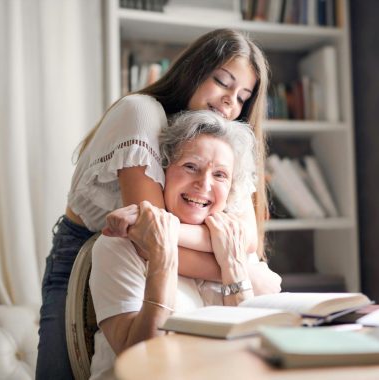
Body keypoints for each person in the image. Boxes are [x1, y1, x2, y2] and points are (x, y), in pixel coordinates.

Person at [36, 28, 273, 380]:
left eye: (242, 97)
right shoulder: (141, 112)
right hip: (86, 254)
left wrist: (233, 255)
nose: (229, 103)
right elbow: (153, 239)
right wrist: (240, 266)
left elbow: (247, 238)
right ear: (193, 70)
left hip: (153, 253)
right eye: (222, 82)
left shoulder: (220, 142)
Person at [89, 110, 279, 379]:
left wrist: (235, 266)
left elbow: (252, 353)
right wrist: (162, 258)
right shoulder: (117, 247)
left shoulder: (232, 244)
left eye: (220, 175)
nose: (204, 184)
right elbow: (145, 358)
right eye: (191, 166)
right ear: (164, 171)